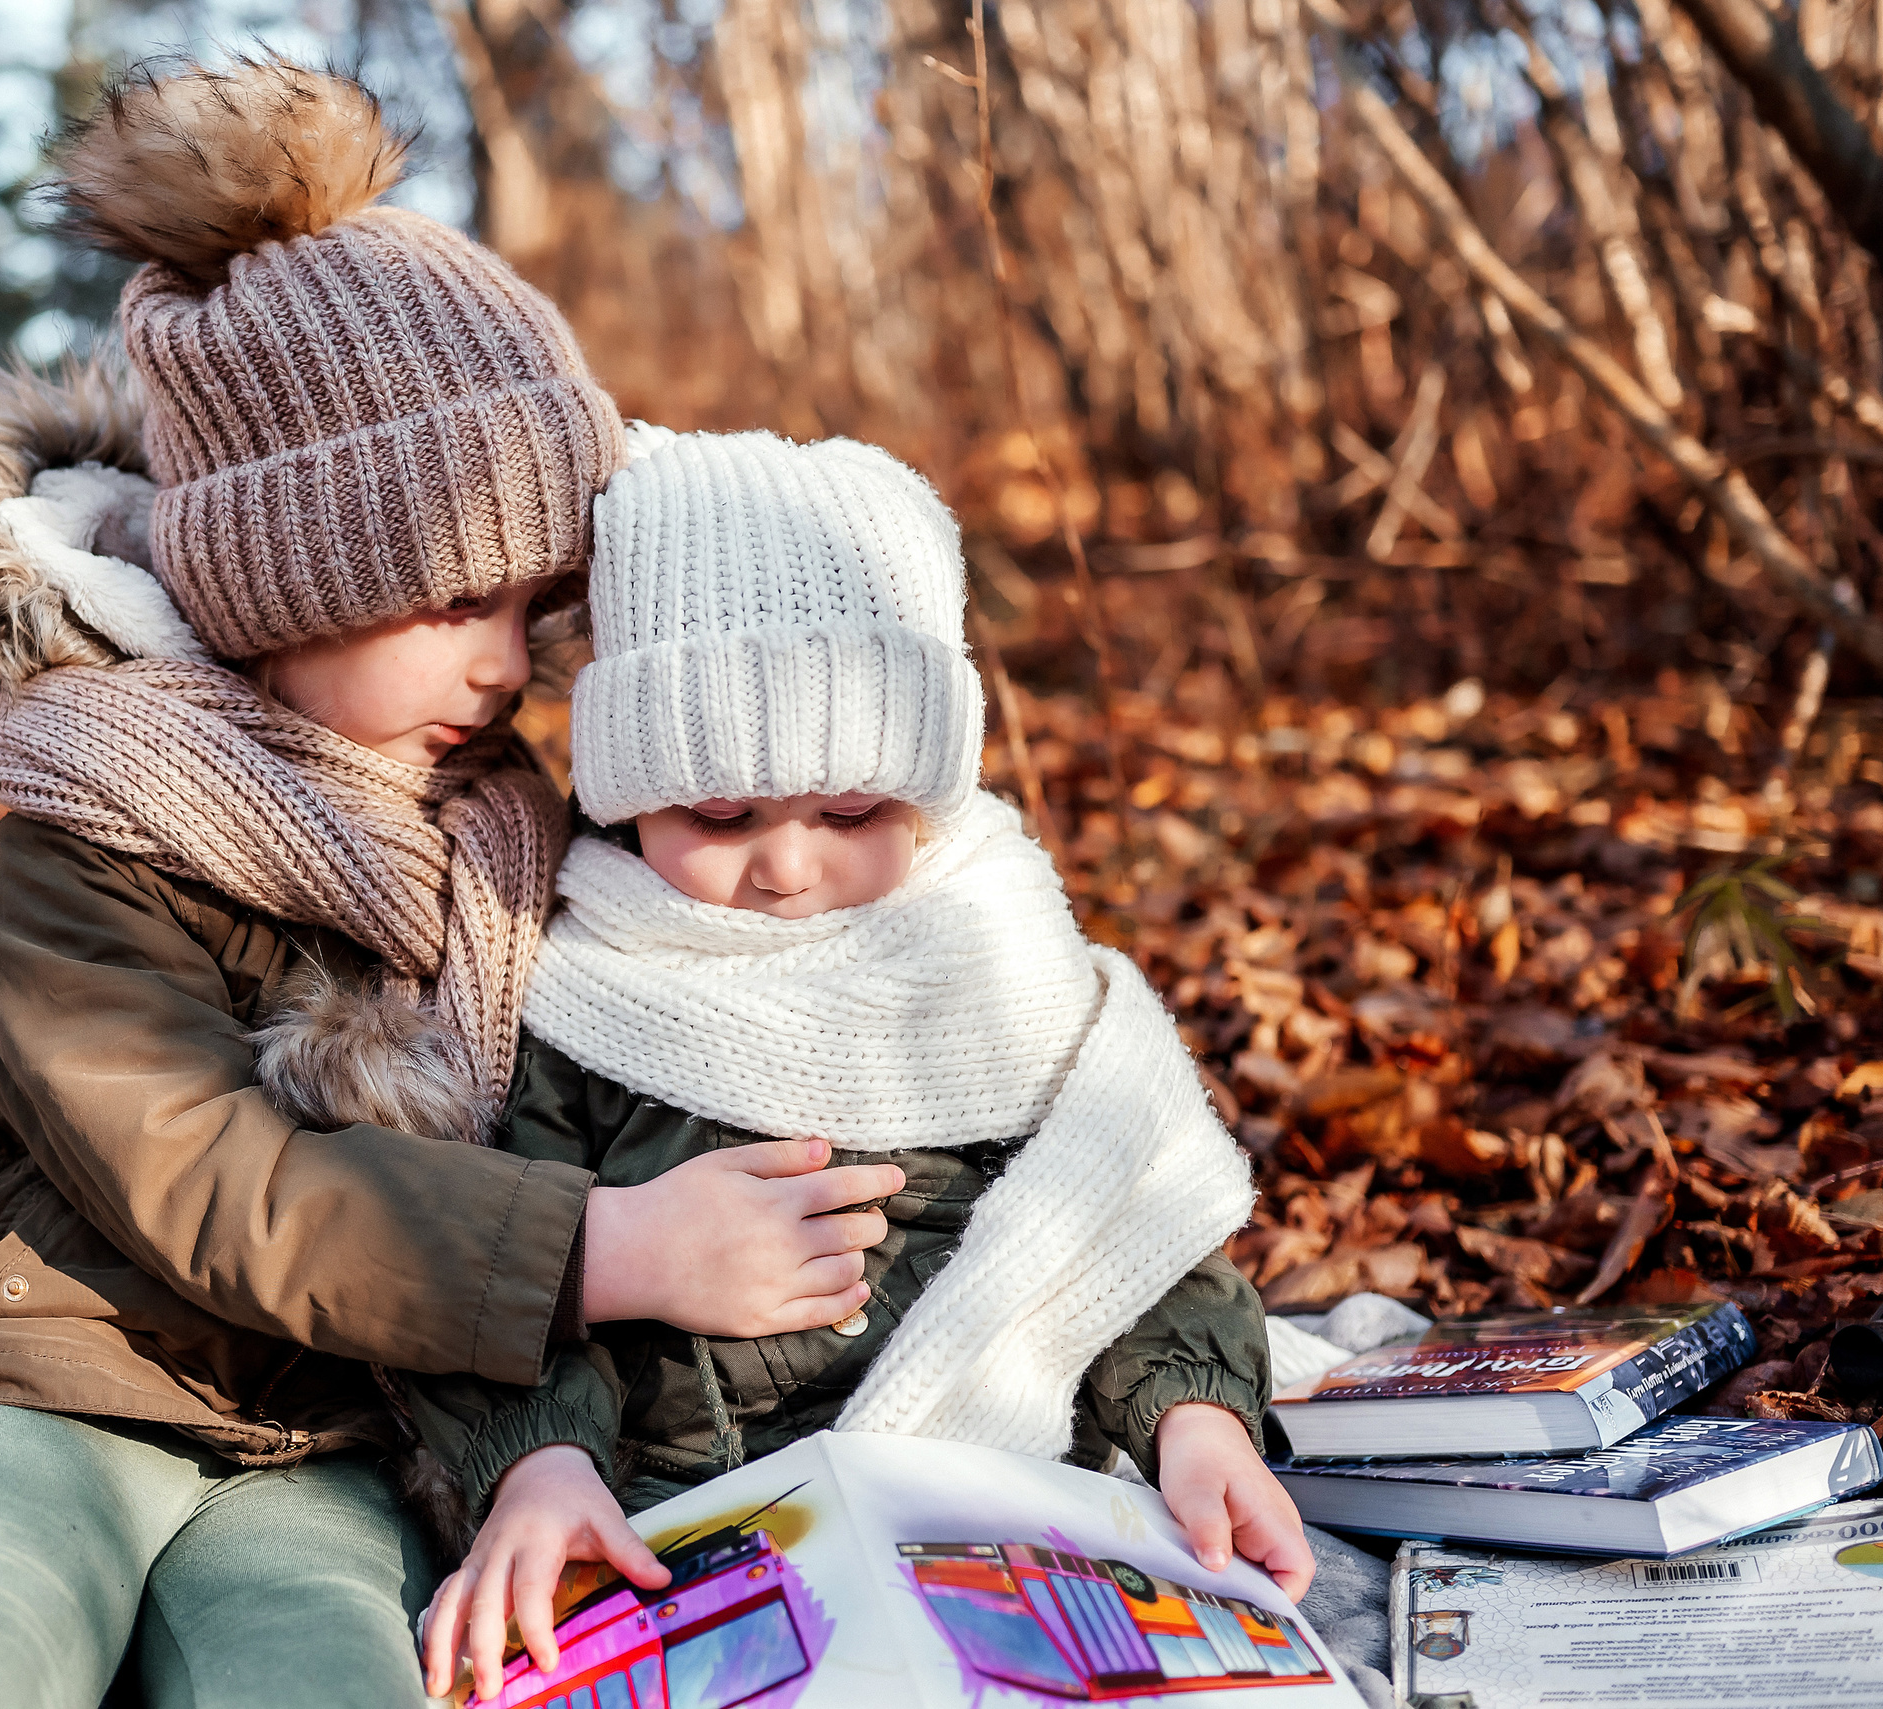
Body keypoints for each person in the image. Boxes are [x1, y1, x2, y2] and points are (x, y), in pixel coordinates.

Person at [0, 65, 901, 1709]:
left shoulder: (507, 829)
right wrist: (603, 1250)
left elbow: (595, 1094)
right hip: (46, 1369)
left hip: (340, 1433)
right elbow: (206, 1174)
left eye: (537, 602)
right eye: (458, 599)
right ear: (287, 576)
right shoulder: (87, 813)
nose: (509, 660)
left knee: (322, 1672)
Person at [391, 429, 1315, 1701]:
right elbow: (514, 1266)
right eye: (719, 816)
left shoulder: (989, 948)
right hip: (690, 1512)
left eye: (850, 811)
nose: (784, 863)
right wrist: (541, 1466)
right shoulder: (591, 983)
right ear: (628, 791)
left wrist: (1194, 1419)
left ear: (926, 789)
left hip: (1006, 1495)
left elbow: (1121, 1218)